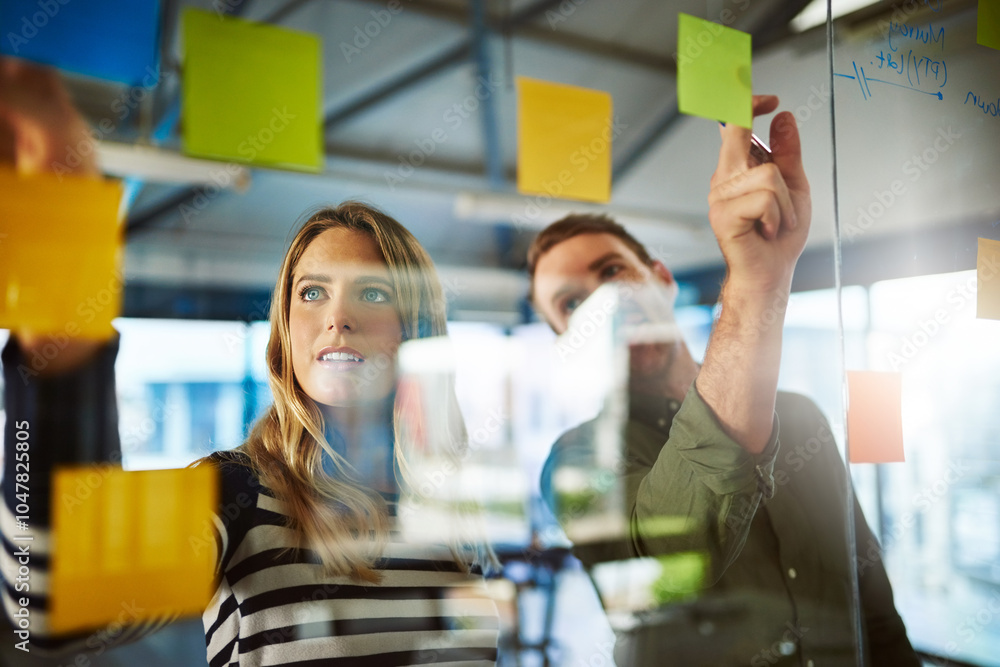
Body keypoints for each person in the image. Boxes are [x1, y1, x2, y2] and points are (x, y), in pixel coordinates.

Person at [0, 58, 498, 665]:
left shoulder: (452, 507)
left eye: (373, 292)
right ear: (286, 331)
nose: (336, 318)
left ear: (416, 329)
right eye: (311, 293)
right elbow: (51, 604)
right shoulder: (235, 491)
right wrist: (63, 220)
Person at [527, 97, 920, 665]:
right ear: (566, 339)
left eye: (613, 272)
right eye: (572, 303)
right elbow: (673, 558)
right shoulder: (577, 463)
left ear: (660, 279)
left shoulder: (802, 418)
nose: (605, 305)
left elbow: (871, 596)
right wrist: (756, 283)